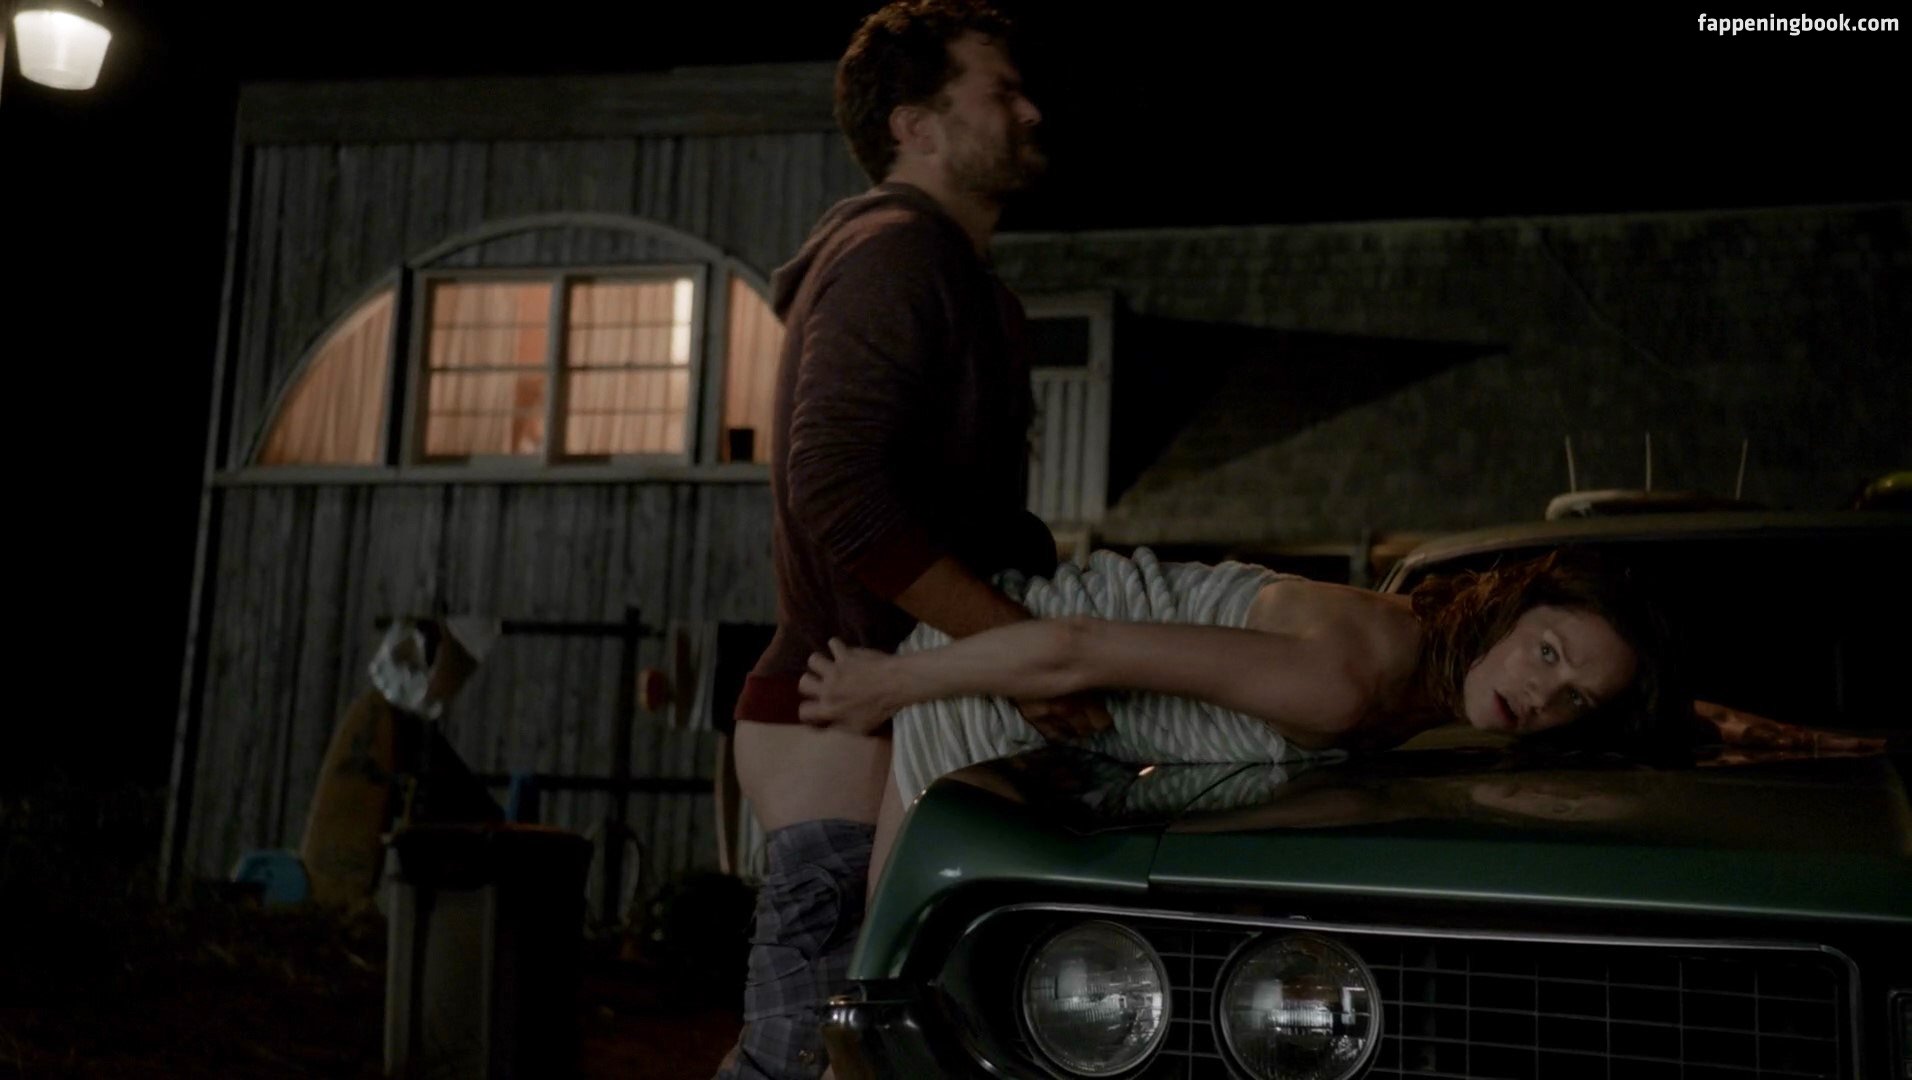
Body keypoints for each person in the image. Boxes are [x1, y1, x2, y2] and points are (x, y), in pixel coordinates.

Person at [718, 4, 1103, 1078]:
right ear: (915, 127)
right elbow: (835, 488)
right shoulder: (895, 258)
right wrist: (1018, 648)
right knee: (802, 1059)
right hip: (841, 720)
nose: (1030, 111)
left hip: (901, 709)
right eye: (999, 91)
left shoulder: (960, 281)